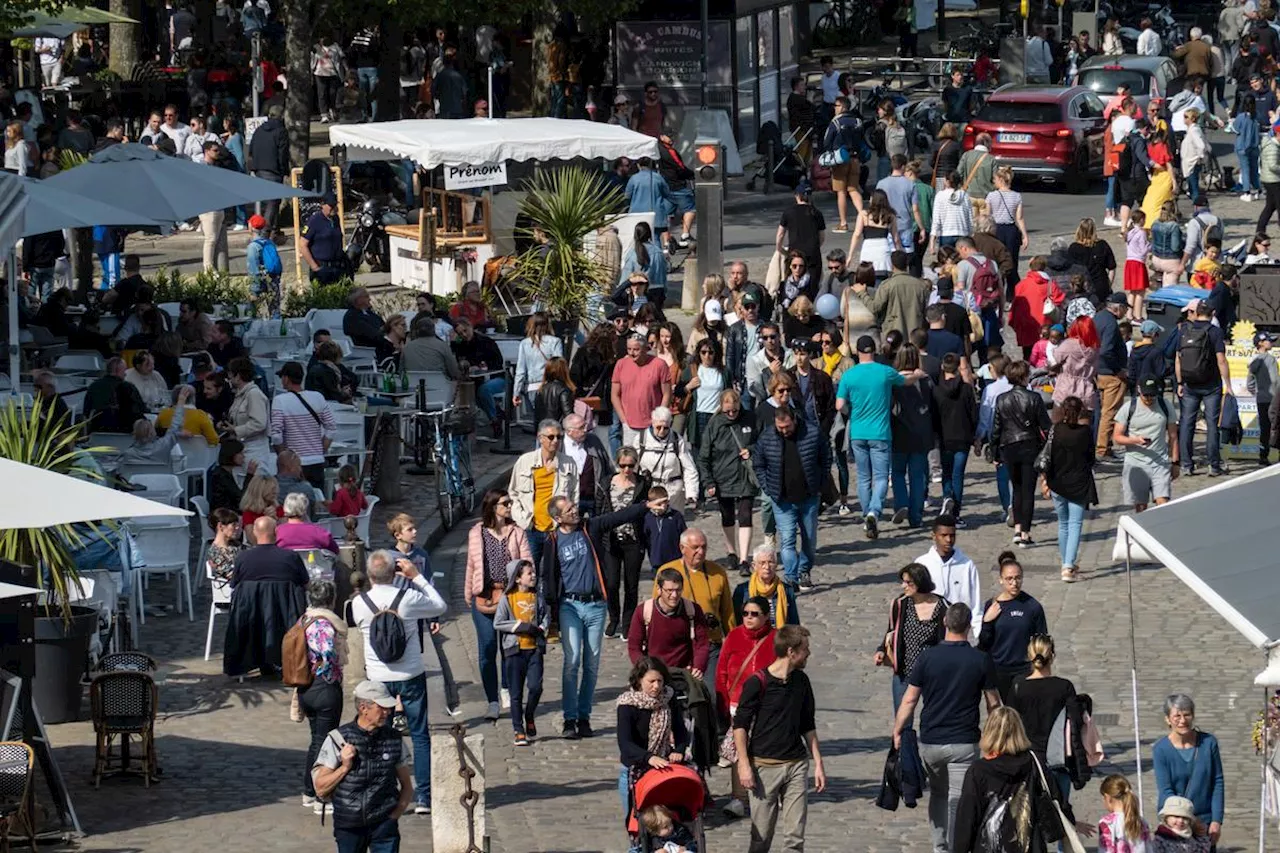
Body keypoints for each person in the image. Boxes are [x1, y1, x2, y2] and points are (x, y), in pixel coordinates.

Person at [542, 490, 655, 739]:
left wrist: (645, 505)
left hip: (595, 606)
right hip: (569, 606)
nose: (575, 510)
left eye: (574, 506)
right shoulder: (551, 541)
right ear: (558, 519)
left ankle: (584, 717)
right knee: (572, 662)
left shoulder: (589, 527)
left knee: (591, 664)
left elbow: (617, 517)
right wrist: (551, 613)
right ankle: (569, 719)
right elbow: (549, 578)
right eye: (569, 509)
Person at [892, 602, 1000, 853]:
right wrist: (995, 736)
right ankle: (956, 847)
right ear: (968, 626)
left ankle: (940, 847)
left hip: (932, 740)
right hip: (964, 740)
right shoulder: (980, 659)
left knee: (939, 795)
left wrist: (898, 730)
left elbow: (909, 699)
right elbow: (993, 703)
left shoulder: (927, 657)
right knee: (958, 799)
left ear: (944, 623)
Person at [346, 550, 447, 816]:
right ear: (395, 572)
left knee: (378, 739)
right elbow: (440, 606)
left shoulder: (359, 603)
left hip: (378, 678)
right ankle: (424, 796)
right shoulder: (409, 598)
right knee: (420, 735)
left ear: (369, 575)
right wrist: (417, 577)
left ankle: (386, 793)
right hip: (410, 674)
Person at [733, 625, 825, 853]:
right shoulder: (758, 682)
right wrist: (744, 765)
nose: (809, 653)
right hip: (764, 768)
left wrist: (819, 764)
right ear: (791, 652)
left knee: (795, 838)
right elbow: (740, 726)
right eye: (806, 649)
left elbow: (808, 724)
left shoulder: (801, 681)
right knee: (761, 837)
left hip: (795, 765)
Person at [951, 706, 1073, 853]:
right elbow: (1056, 797)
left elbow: (967, 817)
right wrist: (1071, 821)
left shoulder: (979, 770)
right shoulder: (1034, 762)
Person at [311, 680, 414, 850]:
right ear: (363, 708)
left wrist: (394, 816)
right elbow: (320, 787)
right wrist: (344, 767)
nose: (387, 712)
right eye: (381, 707)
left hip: (384, 824)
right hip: (349, 825)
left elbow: (407, 786)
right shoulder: (338, 739)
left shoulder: (394, 739)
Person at [838, 334, 921, 539]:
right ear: (874, 351)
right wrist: (918, 374)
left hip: (858, 432)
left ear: (857, 352)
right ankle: (875, 511)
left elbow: (839, 405)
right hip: (880, 432)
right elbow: (905, 380)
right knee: (882, 477)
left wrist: (853, 411)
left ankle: (868, 514)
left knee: (864, 477)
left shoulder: (849, 375)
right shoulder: (884, 372)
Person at [466, 489, 531, 720]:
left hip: (509, 596)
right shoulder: (477, 532)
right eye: (505, 503)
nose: (509, 506)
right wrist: (468, 594)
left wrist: (526, 591)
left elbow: (527, 562)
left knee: (509, 647)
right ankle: (492, 700)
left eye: (510, 502)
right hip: (484, 595)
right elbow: (472, 565)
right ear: (493, 507)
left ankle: (506, 689)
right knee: (487, 648)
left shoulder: (517, 532)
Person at [754, 403, 828, 591]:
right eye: (780, 428)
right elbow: (758, 464)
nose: (784, 431)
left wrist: (820, 484)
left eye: (787, 427)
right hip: (782, 499)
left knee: (809, 540)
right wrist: (767, 486)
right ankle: (790, 578)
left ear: (794, 420)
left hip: (808, 497)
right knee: (787, 540)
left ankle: (804, 570)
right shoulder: (768, 437)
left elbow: (825, 457)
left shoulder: (812, 432)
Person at [647, 528, 735, 687]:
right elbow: (657, 610)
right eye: (695, 547)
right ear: (682, 548)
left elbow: (728, 613)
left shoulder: (718, 573)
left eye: (704, 547)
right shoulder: (667, 572)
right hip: (678, 646)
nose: (700, 552)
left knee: (711, 693)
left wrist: (733, 644)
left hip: (710, 644)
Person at [716, 593, 778, 818]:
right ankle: (738, 799)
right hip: (737, 704)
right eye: (745, 614)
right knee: (738, 750)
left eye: (754, 614)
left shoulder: (775, 638)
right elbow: (722, 670)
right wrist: (722, 701)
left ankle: (767, 793)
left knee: (764, 749)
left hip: (766, 705)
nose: (749, 618)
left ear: (765, 617)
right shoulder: (733, 636)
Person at [1006, 635, 1079, 806]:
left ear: (1029, 656)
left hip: (1027, 761)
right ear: (1052, 656)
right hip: (1058, 760)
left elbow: (1010, 726)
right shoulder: (1064, 687)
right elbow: (1074, 725)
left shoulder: (1018, 687)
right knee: (1061, 816)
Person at [616, 656, 690, 823]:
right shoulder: (627, 705)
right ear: (640, 680)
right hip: (634, 769)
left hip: (662, 767)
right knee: (637, 823)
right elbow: (625, 744)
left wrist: (679, 750)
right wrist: (649, 758)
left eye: (660, 681)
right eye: (651, 681)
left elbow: (680, 729)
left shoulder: (668, 698)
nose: (656, 686)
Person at [296, 579, 348, 815]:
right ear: (331, 600)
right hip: (324, 686)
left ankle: (308, 791)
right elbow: (327, 654)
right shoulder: (324, 625)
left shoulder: (303, 620)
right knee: (326, 743)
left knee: (316, 740)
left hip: (306, 688)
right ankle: (321, 796)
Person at [874, 561, 945, 725]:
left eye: (908, 582)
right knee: (902, 719)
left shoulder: (942, 606)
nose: (903, 586)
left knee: (933, 717)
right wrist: (881, 650)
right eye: (903, 581)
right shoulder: (901, 604)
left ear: (920, 583)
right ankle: (902, 750)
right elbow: (891, 631)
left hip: (931, 673)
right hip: (904, 672)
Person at [992, 360, 1051, 547]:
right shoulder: (1034, 398)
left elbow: (996, 428)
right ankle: (1025, 532)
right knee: (1027, 490)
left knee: (1016, 489)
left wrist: (995, 453)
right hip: (1029, 445)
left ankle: (1017, 528)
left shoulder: (1002, 399)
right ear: (1024, 377)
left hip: (1009, 446)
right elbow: (1046, 426)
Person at [1152, 694, 1225, 845]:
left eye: (1187, 715)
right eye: (1177, 716)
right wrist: (1189, 819)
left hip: (1205, 822)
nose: (1182, 720)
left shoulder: (1208, 743)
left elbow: (1217, 782)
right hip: (1175, 823)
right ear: (1168, 719)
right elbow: (1166, 790)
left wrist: (1216, 821)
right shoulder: (1161, 749)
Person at [492, 559, 549, 746]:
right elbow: (498, 623)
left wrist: (541, 628)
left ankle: (530, 714)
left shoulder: (536, 597)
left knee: (536, 687)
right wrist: (521, 626)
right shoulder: (507, 599)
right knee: (516, 693)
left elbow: (545, 615)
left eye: (533, 573)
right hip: (514, 652)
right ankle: (518, 729)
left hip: (534, 650)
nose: (533, 576)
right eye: (529, 573)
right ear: (517, 578)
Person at [978, 553, 1049, 699]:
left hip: (1023, 669)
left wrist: (1040, 670)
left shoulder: (1032, 606)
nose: (1014, 583)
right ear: (1001, 580)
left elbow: (1042, 642)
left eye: (1017, 578)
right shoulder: (992, 605)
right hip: (997, 669)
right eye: (1009, 579)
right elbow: (984, 643)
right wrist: (986, 621)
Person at [509, 419, 578, 568]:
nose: (555, 441)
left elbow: (574, 495)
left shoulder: (568, 463)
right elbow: (513, 493)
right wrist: (521, 518)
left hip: (557, 529)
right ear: (540, 438)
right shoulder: (525, 461)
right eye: (551, 437)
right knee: (529, 572)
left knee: (555, 573)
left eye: (559, 437)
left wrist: (568, 521)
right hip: (531, 528)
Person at [1043, 395, 1098, 580]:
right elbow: (1091, 458)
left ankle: (1066, 561)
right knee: (1075, 524)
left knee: (1063, 524)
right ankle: (1068, 565)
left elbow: (1049, 457)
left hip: (1057, 482)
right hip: (1078, 482)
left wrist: (1045, 481)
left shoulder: (1056, 429)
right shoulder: (1085, 432)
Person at [1175, 300, 1232, 476]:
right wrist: (1228, 384)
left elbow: (1178, 359)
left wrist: (1179, 382)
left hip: (1190, 383)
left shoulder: (1184, 330)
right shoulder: (1214, 332)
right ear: (1212, 313)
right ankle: (1214, 465)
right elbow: (1221, 359)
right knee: (1212, 424)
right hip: (1211, 385)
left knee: (1186, 423)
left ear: (1196, 312)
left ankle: (1186, 464)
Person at [598, 447, 646, 638]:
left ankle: (628, 623)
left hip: (633, 540)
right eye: (623, 465)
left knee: (631, 584)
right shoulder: (607, 483)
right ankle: (614, 618)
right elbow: (598, 510)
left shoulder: (642, 484)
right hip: (611, 540)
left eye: (631, 466)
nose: (627, 470)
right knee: (611, 583)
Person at [628, 567, 710, 674]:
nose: (674, 595)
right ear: (659, 589)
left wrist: (698, 667)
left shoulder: (693, 611)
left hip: (683, 672)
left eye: (678, 590)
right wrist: (644, 669)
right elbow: (634, 647)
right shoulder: (643, 611)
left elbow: (702, 644)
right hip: (654, 672)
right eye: (669, 591)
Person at [889, 345, 935, 529]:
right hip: (921, 432)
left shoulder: (893, 380)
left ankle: (901, 504)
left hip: (898, 431)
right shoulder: (925, 380)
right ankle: (916, 516)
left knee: (898, 472)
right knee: (917, 476)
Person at [271, 361, 335, 489]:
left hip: (294, 463)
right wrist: (321, 448)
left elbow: (276, 435)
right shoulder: (317, 397)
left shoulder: (280, 401)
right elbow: (331, 427)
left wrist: (284, 456)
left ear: (286, 378)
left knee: (295, 504)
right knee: (315, 500)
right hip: (317, 461)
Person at [915, 515, 981, 638]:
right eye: (944, 535)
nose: (948, 540)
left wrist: (978, 636)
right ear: (934, 536)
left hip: (958, 633)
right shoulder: (922, 564)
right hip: (928, 632)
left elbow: (975, 604)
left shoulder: (967, 565)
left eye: (952, 535)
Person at [611, 333, 672, 448]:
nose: (631, 353)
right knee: (631, 460)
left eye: (636, 349)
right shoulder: (621, 364)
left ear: (645, 349)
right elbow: (614, 395)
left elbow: (667, 394)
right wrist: (623, 419)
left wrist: (660, 417)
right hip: (629, 424)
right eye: (629, 349)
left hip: (653, 423)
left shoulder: (659, 364)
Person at [823, 95, 867, 233]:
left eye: (836, 106)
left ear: (842, 107)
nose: (834, 109)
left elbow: (826, 142)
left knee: (841, 192)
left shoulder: (835, 123)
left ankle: (843, 223)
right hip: (855, 159)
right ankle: (863, 215)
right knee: (853, 189)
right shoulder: (858, 122)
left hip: (840, 160)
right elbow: (861, 140)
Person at [224, 357, 273, 473]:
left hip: (255, 451)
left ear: (238, 376)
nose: (229, 379)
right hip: (243, 449)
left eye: (231, 375)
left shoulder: (254, 395)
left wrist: (236, 430)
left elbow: (259, 423)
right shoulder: (240, 395)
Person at [513, 313, 564, 415]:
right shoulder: (555, 341)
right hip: (551, 385)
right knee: (552, 420)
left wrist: (516, 392)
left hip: (532, 387)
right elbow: (559, 365)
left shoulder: (525, 343)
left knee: (538, 421)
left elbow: (520, 371)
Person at [848, 189, 900, 277]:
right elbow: (896, 239)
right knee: (884, 276)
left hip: (868, 248)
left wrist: (850, 256)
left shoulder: (864, 215)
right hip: (883, 248)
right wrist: (899, 254)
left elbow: (856, 235)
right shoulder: (890, 216)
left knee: (866, 275)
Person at [299, 193, 347, 284]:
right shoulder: (315, 220)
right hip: (322, 267)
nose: (333, 208)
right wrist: (315, 268)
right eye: (331, 205)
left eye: (335, 205)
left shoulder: (336, 219)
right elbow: (302, 245)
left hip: (337, 266)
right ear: (322, 205)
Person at [618, 222, 669, 303]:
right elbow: (663, 274)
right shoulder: (658, 252)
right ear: (649, 234)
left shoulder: (632, 253)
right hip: (658, 292)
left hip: (640, 294)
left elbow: (625, 277)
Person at [957, 133, 996, 199]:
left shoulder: (966, 155)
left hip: (968, 195)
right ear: (987, 144)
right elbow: (996, 180)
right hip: (986, 197)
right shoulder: (991, 159)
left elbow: (959, 173)